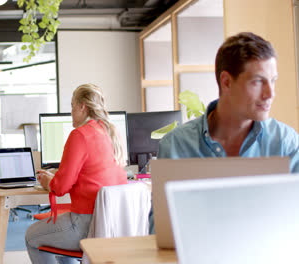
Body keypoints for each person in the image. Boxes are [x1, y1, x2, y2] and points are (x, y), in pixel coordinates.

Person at [149, 32, 299, 234]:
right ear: (226, 82)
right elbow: (159, 232)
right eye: (257, 81)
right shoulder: (177, 145)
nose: (270, 94)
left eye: (273, 80)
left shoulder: (285, 142)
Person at [25, 84, 128, 263]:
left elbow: (61, 187)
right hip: (112, 222)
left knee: (31, 236)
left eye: (72, 106)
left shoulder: (80, 135)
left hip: (86, 224)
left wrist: (48, 181)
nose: (71, 112)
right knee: (59, 245)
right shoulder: (111, 132)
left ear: (82, 106)